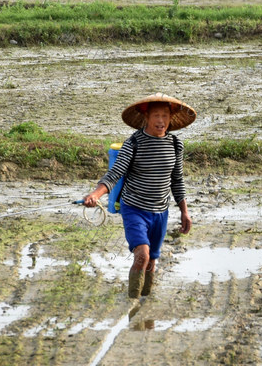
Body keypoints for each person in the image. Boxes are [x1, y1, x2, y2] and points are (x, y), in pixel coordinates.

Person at [83, 93, 196, 299]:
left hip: (160, 212)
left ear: (171, 117)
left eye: (165, 115)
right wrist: (96, 194)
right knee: (142, 255)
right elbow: (115, 173)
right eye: (156, 116)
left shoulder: (175, 144)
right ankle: (132, 301)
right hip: (134, 209)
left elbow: (177, 180)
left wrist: (184, 212)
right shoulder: (134, 143)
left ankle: (144, 302)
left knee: (151, 260)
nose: (161, 121)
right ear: (146, 117)